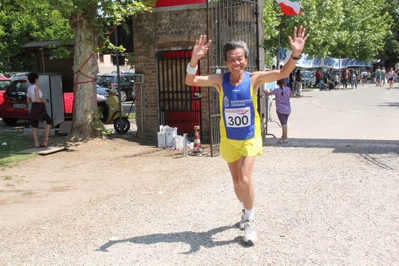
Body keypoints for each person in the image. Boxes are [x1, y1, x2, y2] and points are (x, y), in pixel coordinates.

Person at [185, 26, 308, 245]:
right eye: (231, 59)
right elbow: (190, 81)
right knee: (236, 182)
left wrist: (295, 54)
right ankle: (245, 210)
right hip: (229, 139)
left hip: (250, 136)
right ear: (226, 62)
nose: (236, 62)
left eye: (239, 58)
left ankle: (250, 220)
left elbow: (283, 74)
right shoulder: (218, 80)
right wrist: (194, 59)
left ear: (246, 59)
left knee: (245, 178)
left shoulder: (254, 79)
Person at [26, 72, 52, 148]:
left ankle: (36, 143)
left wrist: (34, 100)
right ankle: (46, 138)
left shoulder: (29, 88)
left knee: (35, 125)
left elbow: (28, 101)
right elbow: (38, 100)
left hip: (33, 107)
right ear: (36, 79)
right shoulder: (36, 88)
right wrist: (44, 100)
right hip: (39, 107)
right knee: (49, 120)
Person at [263, 79, 292, 143]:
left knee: (283, 123)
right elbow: (290, 96)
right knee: (285, 123)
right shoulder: (288, 89)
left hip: (280, 108)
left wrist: (263, 91)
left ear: (277, 83)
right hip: (287, 108)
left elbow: (268, 94)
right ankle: (283, 137)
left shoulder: (276, 90)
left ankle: (285, 138)